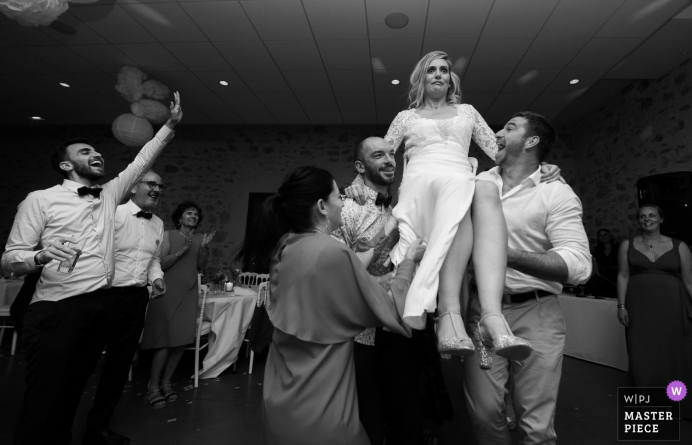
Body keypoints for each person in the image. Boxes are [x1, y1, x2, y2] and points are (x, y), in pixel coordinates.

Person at [347, 51, 560, 360]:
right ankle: (461, 315)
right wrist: (358, 182)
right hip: (420, 183)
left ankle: (454, 318)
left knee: (467, 186)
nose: (438, 74)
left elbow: (497, 150)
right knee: (465, 187)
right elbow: (379, 154)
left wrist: (538, 164)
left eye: (444, 70)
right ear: (421, 78)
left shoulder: (468, 112)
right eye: (431, 70)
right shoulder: (406, 117)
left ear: (450, 78)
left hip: (458, 181)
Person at [2, 93, 183, 445]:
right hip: (56, 308)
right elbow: (11, 259)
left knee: (72, 390)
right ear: (67, 166)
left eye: (95, 150)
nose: (95, 154)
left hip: (98, 307)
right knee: (43, 398)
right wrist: (38, 257)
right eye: (84, 152)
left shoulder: (109, 195)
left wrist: (170, 126)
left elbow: (141, 160)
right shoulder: (41, 199)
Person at [240, 166, 424, 445]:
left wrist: (384, 270)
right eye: (339, 196)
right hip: (321, 400)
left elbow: (342, 283)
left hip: (282, 393)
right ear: (322, 206)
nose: (344, 203)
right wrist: (408, 263)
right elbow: (390, 310)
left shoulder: (286, 245)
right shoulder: (331, 251)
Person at [463, 112, 591, 445]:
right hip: (482, 321)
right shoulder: (478, 183)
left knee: (535, 423)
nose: (496, 132)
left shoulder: (555, 193)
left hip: (536, 318)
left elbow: (579, 265)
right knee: (484, 411)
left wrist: (503, 253)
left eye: (509, 127)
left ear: (531, 141)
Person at [331, 136, 425, 445]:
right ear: (360, 167)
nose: (389, 160)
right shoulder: (348, 209)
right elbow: (336, 272)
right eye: (377, 155)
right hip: (361, 331)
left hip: (399, 323)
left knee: (406, 408)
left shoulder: (403, 205)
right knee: (366, 413)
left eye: (391, 154)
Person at [82, 170, 168, 445]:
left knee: (118, 367)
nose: (156, 189)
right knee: (82, 362)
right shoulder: (114, 214)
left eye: (160, 186)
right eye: (151, 183)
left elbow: (153, 258)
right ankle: (56, 426)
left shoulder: (158, 223)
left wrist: (156, 278)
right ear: (133, 188)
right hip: (103, 297)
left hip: (135, 301)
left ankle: (97, 429)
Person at [617, 204, 692, 418]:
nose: (647, 219)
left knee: (672, 354)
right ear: (638, 221)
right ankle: (648, 404)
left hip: (672, 307)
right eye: (642, 216)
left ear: (661, 219)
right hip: (639, 308)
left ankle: (675, 402)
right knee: (642, 354)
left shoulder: (680, 246)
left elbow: (689, 281)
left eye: (652, 215)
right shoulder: (627, 245)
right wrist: (621, 306)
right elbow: (623, 276)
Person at [140, 201, 215, 406]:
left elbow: (200, 267)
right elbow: (160, 263)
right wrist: (182, 250)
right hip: (166, 292)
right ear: (180, 218)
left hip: (189, 293)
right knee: (164, 340)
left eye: (196, 214)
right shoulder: (167, 235)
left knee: (180, 341)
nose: (193, 216)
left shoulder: (200, 238)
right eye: (189, 213)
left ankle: (166, 383)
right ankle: (153, 386)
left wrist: (204, 250)